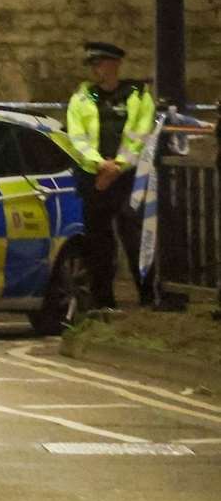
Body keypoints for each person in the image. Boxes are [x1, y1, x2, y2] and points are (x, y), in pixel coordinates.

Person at [65, 40, 157, 309]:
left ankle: (148, 297)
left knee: (136, 239)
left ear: (115, 63)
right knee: (98, 243)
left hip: (127, 178)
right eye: (92, 65)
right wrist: (99, 165)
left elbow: (140, 136)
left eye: (99, 63)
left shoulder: (136, 95)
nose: (95, 70)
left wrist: (117, 166)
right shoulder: (86, 97)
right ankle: (103, 301)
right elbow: (77, 138)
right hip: (94, 178)